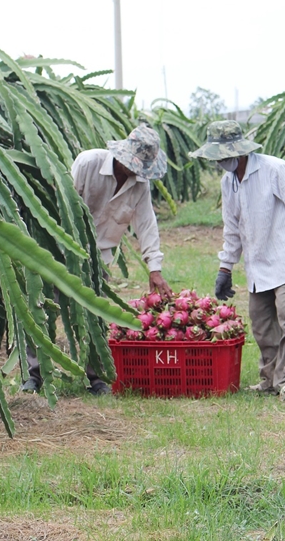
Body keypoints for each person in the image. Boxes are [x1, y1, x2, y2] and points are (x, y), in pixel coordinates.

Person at [22, 123, 173, 394]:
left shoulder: (140, 185)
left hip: (98, 260)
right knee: (41, 309)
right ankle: (34, 375)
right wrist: (65, 246)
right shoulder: (88, 163)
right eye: (133, 165)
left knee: (95, 316)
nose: (135, 171)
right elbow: (64, 203)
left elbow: (146, 225)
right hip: (60, 249)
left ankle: (96, 378)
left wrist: (155, 268)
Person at [190, 120, 285, 402]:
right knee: (262, 326)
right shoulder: (228, 182)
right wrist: (225, 267)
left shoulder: (273, 169)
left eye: (223, 156)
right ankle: (269, 378)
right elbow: (232, 227)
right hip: (257, 264)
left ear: (238, 152)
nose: (220, 162)